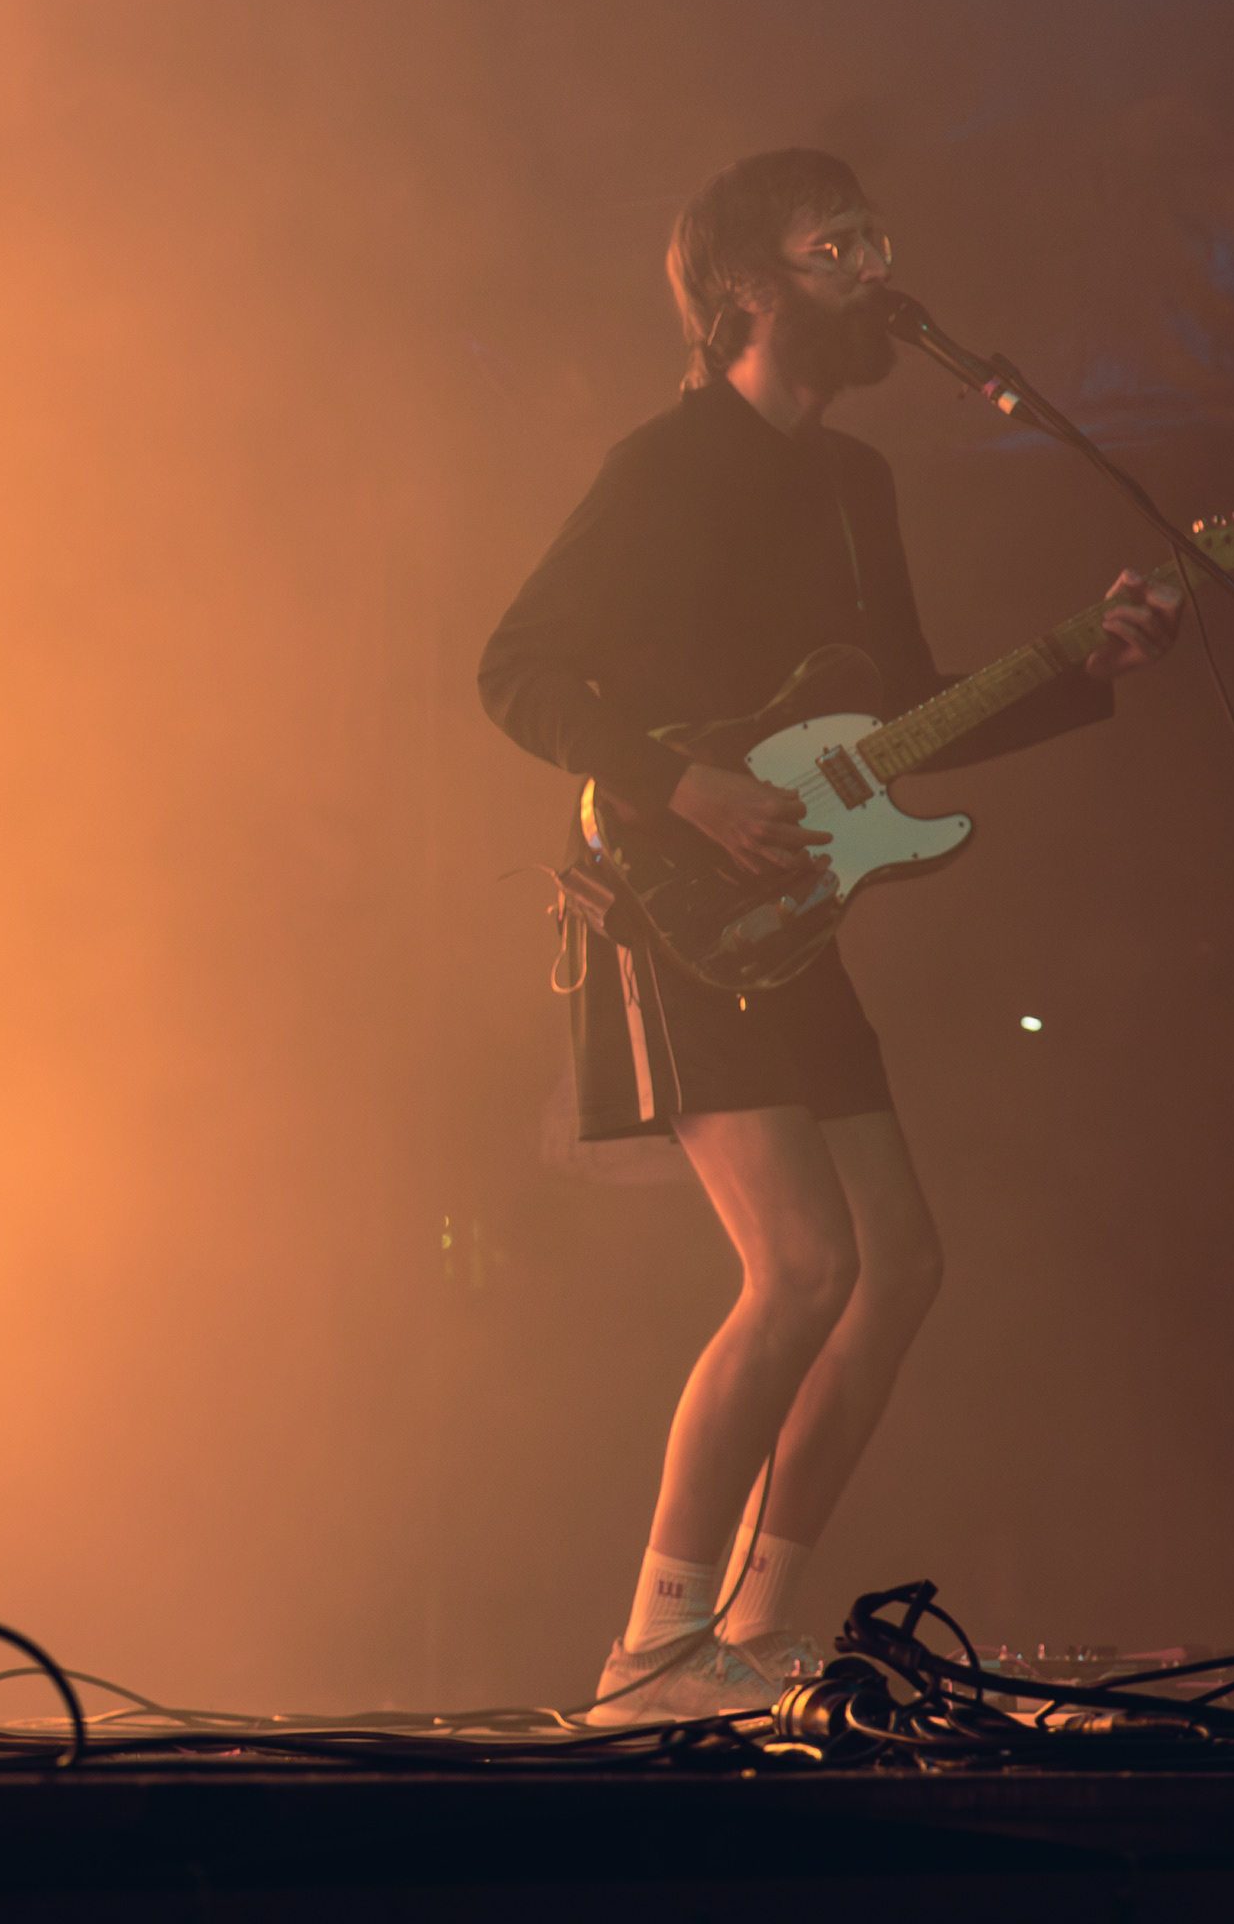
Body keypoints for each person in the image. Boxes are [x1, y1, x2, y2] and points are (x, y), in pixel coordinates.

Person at [476, 150, 1181, 1724]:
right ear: (746, 288)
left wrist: (1089, 668)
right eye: (834, 247)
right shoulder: (664, 467)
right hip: (672, 901)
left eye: (876, 239)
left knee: (898, 1265)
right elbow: (515, 669)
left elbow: (909, 712)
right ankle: (651, 1651)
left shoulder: (857, 484)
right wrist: (688, 786)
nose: (874, 269)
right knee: (800, 1265)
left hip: (792, 916)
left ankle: (753, 1629)